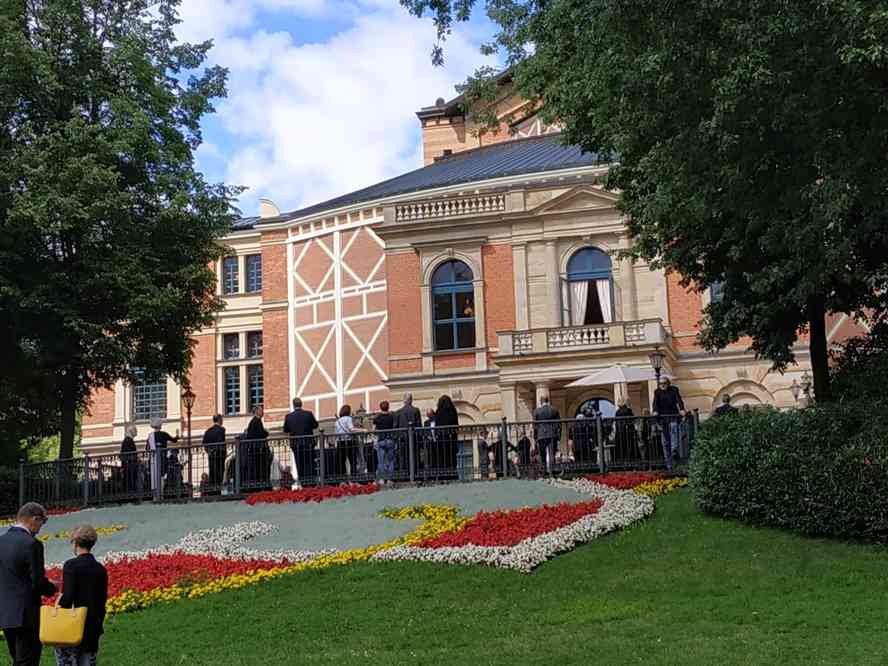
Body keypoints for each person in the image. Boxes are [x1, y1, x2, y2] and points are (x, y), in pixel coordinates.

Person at [0, 502, 57, 666]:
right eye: (41, 523)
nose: (40, 529)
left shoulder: (2, 541)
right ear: (34, 519)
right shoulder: (32, 544)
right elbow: (37, 581)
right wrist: (52, 587)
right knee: (28, 660)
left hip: (6, 613)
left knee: (18, 659)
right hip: (27, 614)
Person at [54, 525, 108, 666]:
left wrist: (57, 609)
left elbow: (68, 597)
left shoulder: (71, 565)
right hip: (93, 627)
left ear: (75, 543)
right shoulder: (100, 569)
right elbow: (102, 600)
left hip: (72, 626)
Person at [283, 397, 319, 489]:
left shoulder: (289, 416)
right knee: (310, 463)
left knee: (299, 464)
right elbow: (315, 425)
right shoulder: (308, 414)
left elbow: (286, 429)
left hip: (296, 444)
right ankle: (311, 483)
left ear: (293, 405)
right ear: (301, 404)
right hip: (308, 443)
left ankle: (303, 483)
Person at [652, 377, 685, 470]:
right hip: (663, 419)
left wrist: (682, 409)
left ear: (668, 383)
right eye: (661, 383)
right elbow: (655, 403)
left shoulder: (674, 390)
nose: (662, 385)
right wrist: (655, 411)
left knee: (674, 428)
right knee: (665, 442)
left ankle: (674, 450)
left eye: (664, 383)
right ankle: (669, 464)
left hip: (673, 416)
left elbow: (679, 400)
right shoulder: (657, 392)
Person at [334, 405, 367, 481]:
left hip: (340, 442)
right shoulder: (348, 418)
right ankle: (353, 479)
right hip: (349, 441)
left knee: (341, 462)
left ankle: (342, 480)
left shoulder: (337, 421)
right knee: (352, 460)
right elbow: (351, 429)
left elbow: (336, 433)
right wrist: (362, 430)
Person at [146, 418, 178, 496]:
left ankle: (156, 494)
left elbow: (147, 448)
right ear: (160, 425)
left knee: (155, 476)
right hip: (162, 458)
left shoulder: (150, 436)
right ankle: (161, 493)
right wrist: (177, 435)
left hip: (153, 459)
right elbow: (174, 440)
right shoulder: (164, 434)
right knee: (162, 476)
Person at [394, 394, 422, 478]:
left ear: (404, 400)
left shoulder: (398, 412)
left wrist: (396, 438)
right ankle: (414, 474)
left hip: (402, 438)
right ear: (411, 400)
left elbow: (395, 426)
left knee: (403, 456)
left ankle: (405, 474)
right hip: (413, 437)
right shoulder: (416, 410)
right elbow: (419, 425)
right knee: (414, 455)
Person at [243, 406, 271, 489]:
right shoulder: (256, 421)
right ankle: (261, 485)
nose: (263, 412)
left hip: (255, 448)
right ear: (257, 412)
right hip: (258, 449)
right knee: (260, 468)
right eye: (261, 411)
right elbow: (260, 434)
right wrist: (266, 433)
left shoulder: (254, 421)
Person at [533, 396, 561, 475]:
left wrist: (535, 436)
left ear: (541, 402)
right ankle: (552, 470)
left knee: (542, 454)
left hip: (541, 435)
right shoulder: (554, 409)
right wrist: (559, 435)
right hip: (552, 434)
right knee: (552, 453)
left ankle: (543, 471)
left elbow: (535, 425)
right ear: (548, 401)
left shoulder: (537, 411)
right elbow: (559, 424)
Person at [434, 395, 460, 475]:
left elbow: (437, 426)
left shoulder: (438, 411)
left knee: (442, 459)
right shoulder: (453, 411)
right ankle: (453, 474)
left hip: (442, 440)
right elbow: (456, 425)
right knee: (451, 459)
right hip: (451, 439)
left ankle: (443, 475)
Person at [372, 401, 396, 484]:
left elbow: (373, 430)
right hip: (390, 440)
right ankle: (389, 479)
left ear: (380, 407)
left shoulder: (377, 418)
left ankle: (382, 479)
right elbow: (394, 427)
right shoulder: (392, 417)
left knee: (381, 461)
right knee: (391, 460)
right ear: (388, 407)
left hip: (381, 440)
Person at [202, 414, 226, 492]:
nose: (222, 421)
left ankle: (212, 490)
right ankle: (218, 490)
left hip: (211, 456)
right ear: (219, 420)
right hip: (219, 456)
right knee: (219, 474)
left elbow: (204, 443)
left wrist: (209, 452)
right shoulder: (221, 430)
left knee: (212, 473)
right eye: (221, 419)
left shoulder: (208, 431)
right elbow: (221, 442)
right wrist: (224, 453)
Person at [614, 400, 639, 465]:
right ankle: (631, 461)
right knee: (630, 447)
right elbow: (632, 420)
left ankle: (622, 462)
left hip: (620, 433)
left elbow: (616, 424)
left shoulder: (617, 412)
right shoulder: (628, 410)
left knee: (622, 448)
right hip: (628, 432)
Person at [120, 425, 140, 494]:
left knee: (130, 481)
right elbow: (127, 453)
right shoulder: (128, 440)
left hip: (129, 465)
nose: (136, 432)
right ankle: (130, 494)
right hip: (130, 466)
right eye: (135, 430)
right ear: (131, 431)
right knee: (130, 481)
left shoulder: (127, 440)